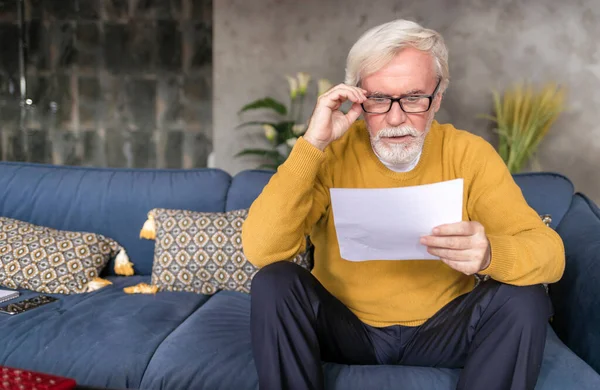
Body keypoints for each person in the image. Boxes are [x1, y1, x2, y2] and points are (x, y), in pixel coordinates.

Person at [241, 19, 565, 390]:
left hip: (443, 331)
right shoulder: (331, 153)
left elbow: (551, 256)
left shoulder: (469, 154)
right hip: (346, 329)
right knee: (273, 282)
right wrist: (312, 145)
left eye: (413, 98)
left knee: (526, 298)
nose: (396, 118)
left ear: (438, 97)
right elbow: (262, 250)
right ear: (357, 98)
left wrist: (491, 254)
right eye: (379, 99)